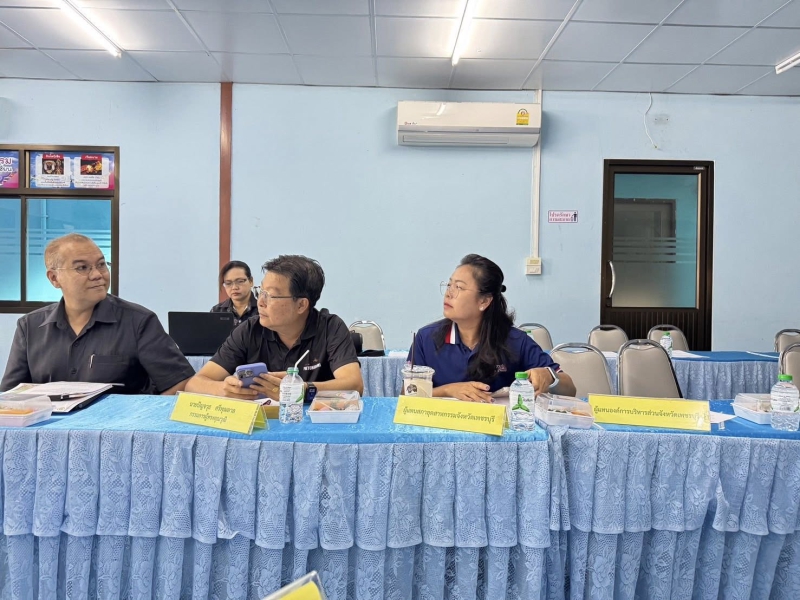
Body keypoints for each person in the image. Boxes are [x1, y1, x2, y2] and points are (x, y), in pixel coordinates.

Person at [1, 233, 195, 394]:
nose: (97, 275)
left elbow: (180, 383)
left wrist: (143, 419)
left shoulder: (139, 321)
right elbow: (11, 395)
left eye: (101, 264)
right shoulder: (29, 326)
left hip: (118, 427)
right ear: (54, 278)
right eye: (82, 268)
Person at [186, 254, 364, 401]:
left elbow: (354, 385)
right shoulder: (249, 330)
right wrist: (223, 389)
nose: (260, 302)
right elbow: (194, 384)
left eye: (270, 295)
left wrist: (299, 390)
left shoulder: (330, 328)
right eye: (260, 292)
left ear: (301, 305)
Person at [409, 254, 576, 402]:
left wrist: (549, 376)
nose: (448, 293)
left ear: (484, 301)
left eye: (458, 287)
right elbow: (408, 393)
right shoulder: (426, 338)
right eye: (449, 285)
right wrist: (448, 390)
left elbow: (570, 389)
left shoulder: (515, 341)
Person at [211, 260, 258, 326]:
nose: (234, 287)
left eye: (240, 281)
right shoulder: (217, 311)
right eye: (228, 283)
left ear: (251, 281)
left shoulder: (263, 308)